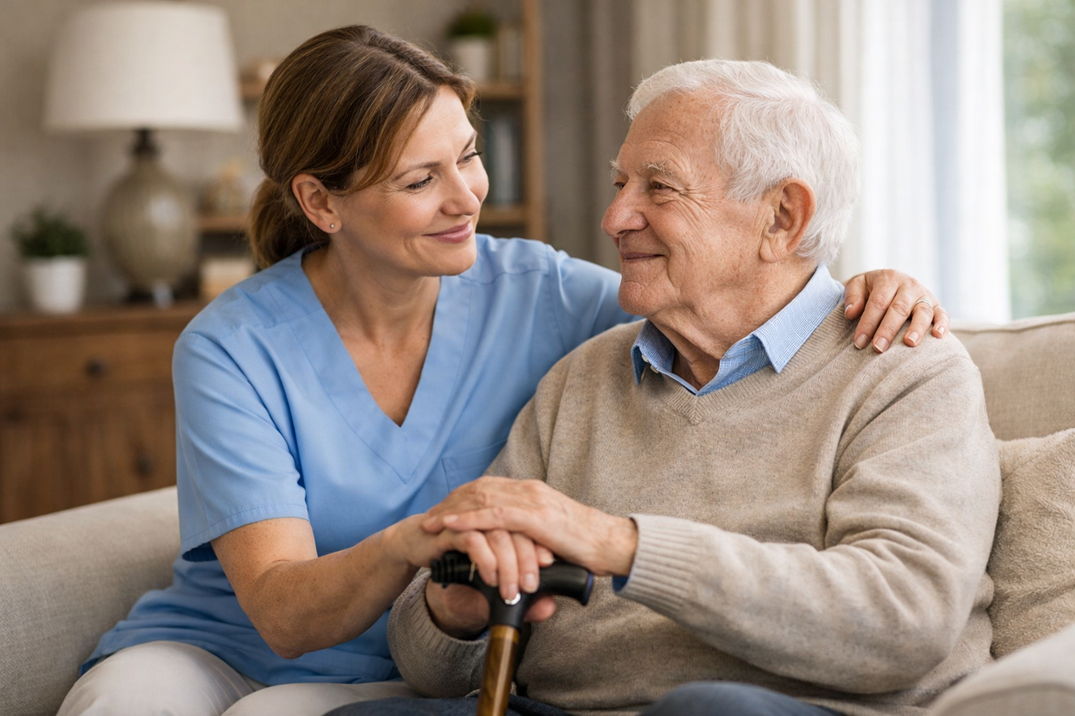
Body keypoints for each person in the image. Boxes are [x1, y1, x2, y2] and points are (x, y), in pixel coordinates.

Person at [58, 27, 946, 716]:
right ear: (320, 202)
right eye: (419, 180)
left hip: (423, 668)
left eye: (470, 155)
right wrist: (425, 545)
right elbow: (288, 617)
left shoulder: (548, 297)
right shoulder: (233, 345)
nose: (466, 197)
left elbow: (739, 291)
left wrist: (865, 283)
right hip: (243, 645)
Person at [339, 59, 1001, 716]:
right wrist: (456, 608)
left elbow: (903, 618)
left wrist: (619, 544)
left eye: (658, 187)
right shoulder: (584, 377)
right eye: (620, 183)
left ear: (781, 217)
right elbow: (434, 672)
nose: (614, 217)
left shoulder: (904, 369)